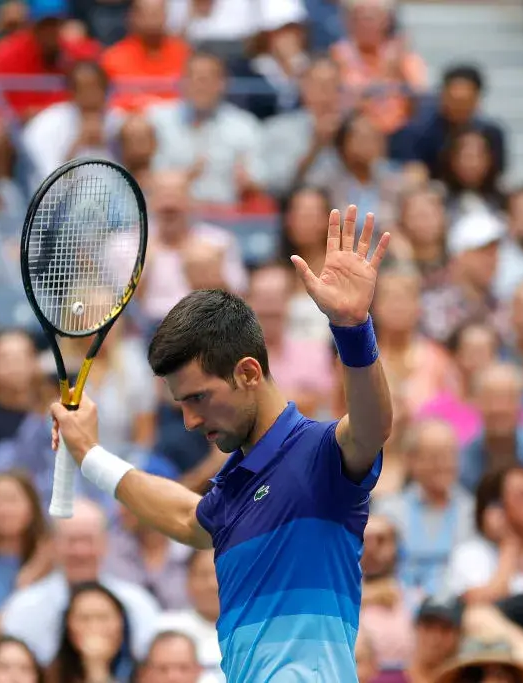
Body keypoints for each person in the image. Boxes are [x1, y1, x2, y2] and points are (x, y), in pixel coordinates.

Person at [50, 204, 393, 682]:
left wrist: (353, 329)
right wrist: (90, 454)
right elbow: (183, 516)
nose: (190, 422)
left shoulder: (319, 454)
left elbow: (372, 426)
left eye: (199, 398)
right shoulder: (231, 491)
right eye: (180, 404)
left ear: (248, 372)